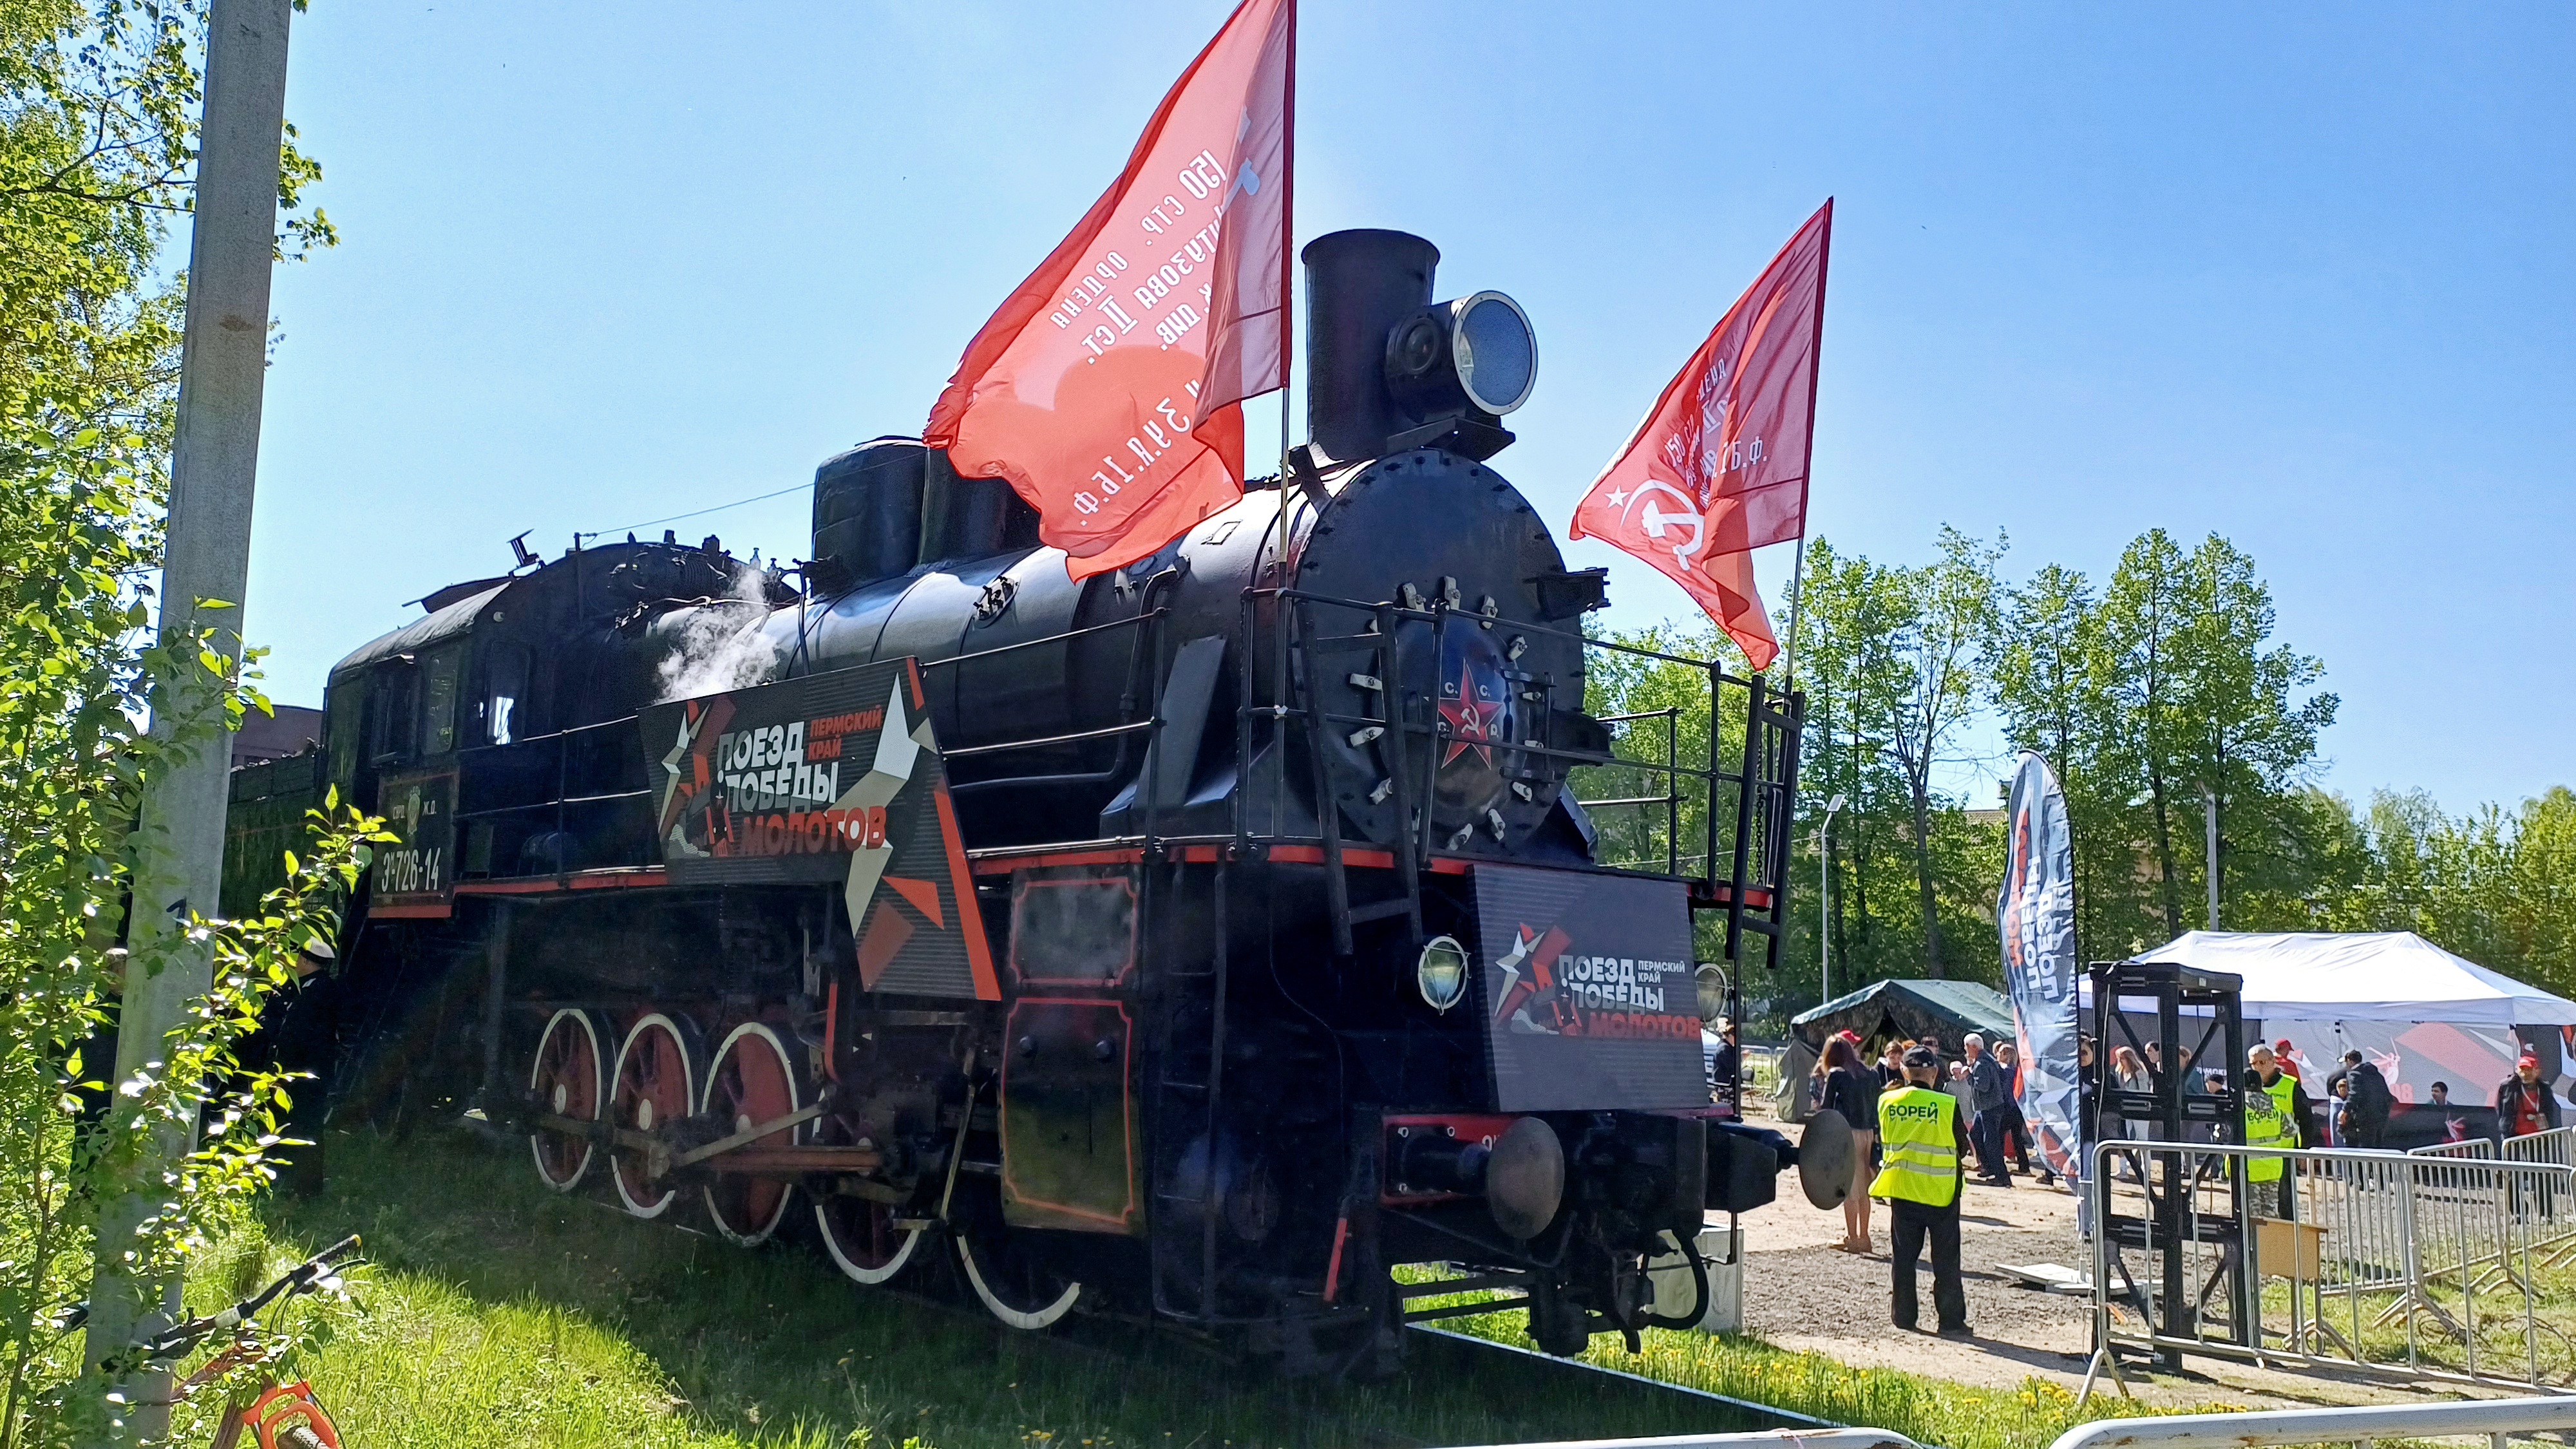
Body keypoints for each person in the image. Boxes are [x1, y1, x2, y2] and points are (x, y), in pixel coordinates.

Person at [1873, 1043, 1973, 1338]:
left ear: (1903, 1070)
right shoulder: (1946, 1104)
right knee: (1946, 1260)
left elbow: (1884, 1138)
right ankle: (1951, 1321)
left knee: (1903, 1258)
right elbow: (1963, 1147)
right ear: (1933, 1072)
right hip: (1941, 1193)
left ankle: (1903, 1317)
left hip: (1903, 1189)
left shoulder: (1887, 1101)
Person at [1815, 1037, 1878, 1253]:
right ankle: (1865, 1236)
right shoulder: (1871, 1074)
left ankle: (1852, 1238)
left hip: (1846, 1133)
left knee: (1849, 1189)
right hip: (1869, 1134)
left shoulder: (1836, 1075)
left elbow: (1827, 1108)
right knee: (1864, 1190)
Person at [2244, 1043, 2316, 1218]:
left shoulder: (2290, 1086)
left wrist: (2305, 1151)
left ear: (2272, 1061)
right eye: (2254, 1064)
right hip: (2252, 1159)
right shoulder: (2245, 1091)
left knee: (2284, 1201)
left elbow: (2306, 1120)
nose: (2259, 1067)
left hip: (2282, 1155)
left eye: (2262, 1062)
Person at [1994, 1041, 2037, 1178]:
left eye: (2000, 1052)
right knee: (2017, 1139)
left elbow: (2005, 1091)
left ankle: (1998, 1165)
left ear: (2005, 1055)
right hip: (2018, 1108)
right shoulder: (2017, 1070)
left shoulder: (2005, 1071)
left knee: (1999, 1135)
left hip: (2008, 1108)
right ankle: (2024, 1167)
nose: (1997, 1055)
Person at [2495, 1053, 2562, 1141]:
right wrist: (2504, 1128)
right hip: (2513, 1136)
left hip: (2538, 1137)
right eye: (2522, 1069)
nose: (2525, 1073)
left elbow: (2551, 1111)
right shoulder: (2508, 1087)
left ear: (2537, 1071)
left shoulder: (2544, 1088)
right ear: (2517, 1070)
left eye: (2529, 1069)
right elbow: (2500, 1109)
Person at [2335, 1048, 2392, 1149]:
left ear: (2350, 1060)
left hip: (2365, 1119)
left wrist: (2344, 1111)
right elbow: (2387, 1096)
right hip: (2381, 1117)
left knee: (2365, 1148)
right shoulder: (2375, 1074)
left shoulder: (2354, 1074)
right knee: (2378, 1148)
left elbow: (2354, 1095)